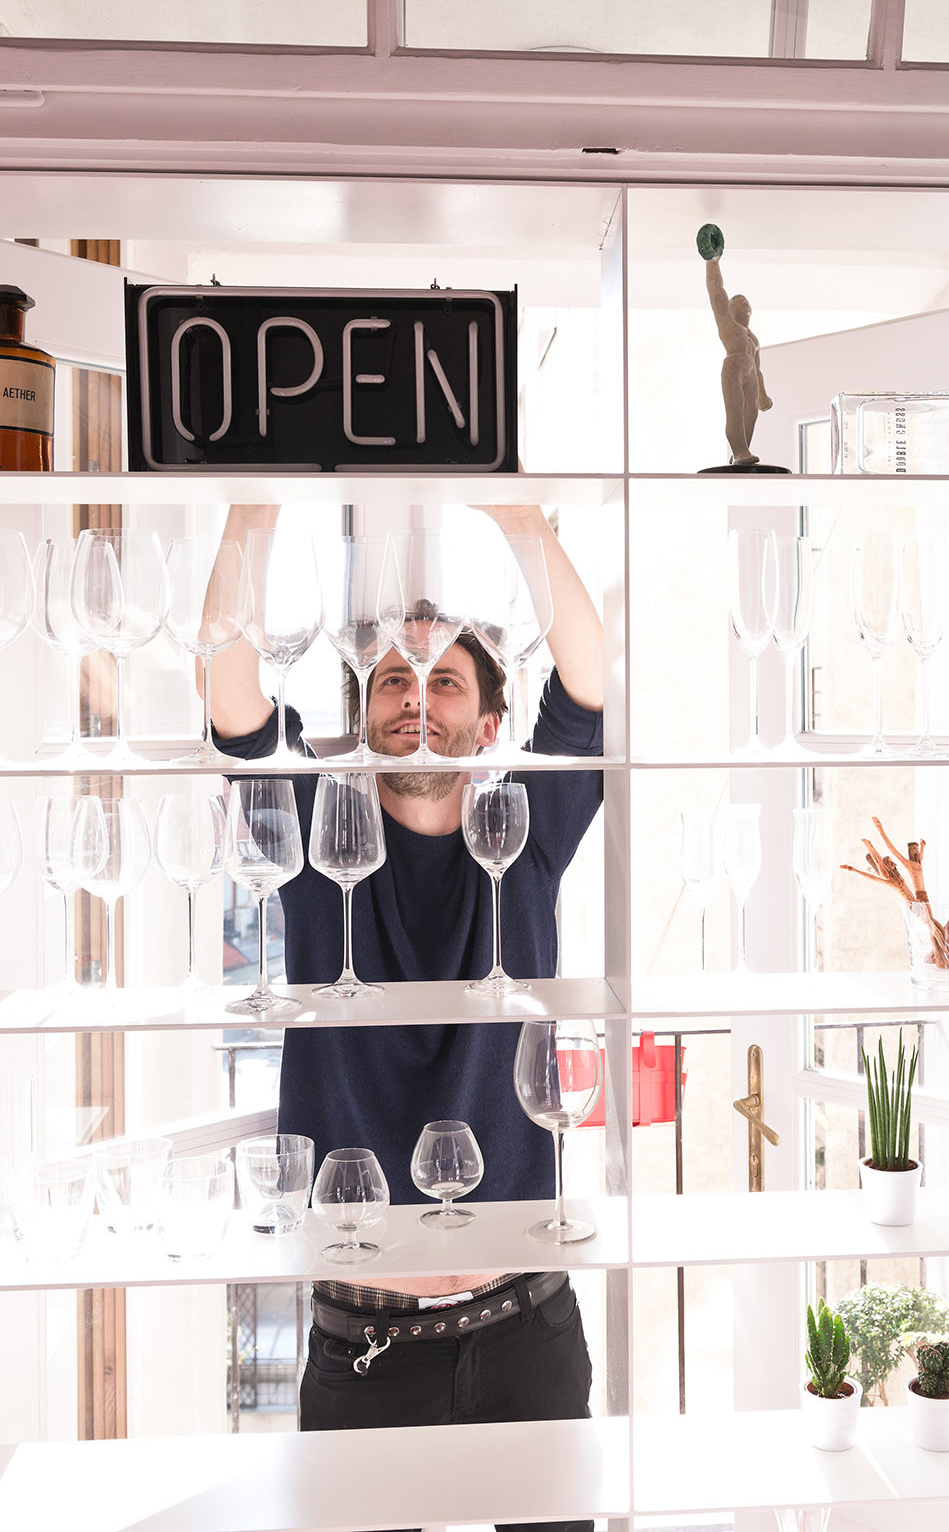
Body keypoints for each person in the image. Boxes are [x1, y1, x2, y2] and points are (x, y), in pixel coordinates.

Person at [205, 503, 603, 1532]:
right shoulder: (316, 834)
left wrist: (521, 520)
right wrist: (251, 509)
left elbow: (590, 682)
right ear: (366, 710)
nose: (415, 697)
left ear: (489, 723)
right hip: (363, 1348)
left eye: (445, 680)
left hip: (527, 1330)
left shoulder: (525, 829)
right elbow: (232, 696)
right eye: (392, 678)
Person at [704, 253, 773, 465]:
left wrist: (763, 394)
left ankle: (741, 453)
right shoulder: (728, 324)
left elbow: (758, 369)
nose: (742, 301)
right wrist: (712, 263)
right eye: (736, 300)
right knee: (735, 411)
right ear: (730, 307)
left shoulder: (754, 338)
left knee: (750, 413)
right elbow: (716, 291)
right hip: (733, 368)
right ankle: (740, 450)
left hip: (750, 372)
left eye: (745, 301)